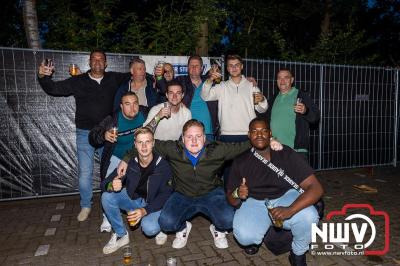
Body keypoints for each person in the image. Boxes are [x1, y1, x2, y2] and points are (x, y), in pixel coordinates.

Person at [117, 119, 283, 249]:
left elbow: (245, 144)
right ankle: (182, 228)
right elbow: (145, 144)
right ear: (182, 138)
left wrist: (271, 139)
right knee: (167, 223)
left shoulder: (217, 149)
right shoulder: (172, 148)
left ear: (205, 138)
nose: (194, 141)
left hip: (211, 193)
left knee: (228, 220)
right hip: (182, 194)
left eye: (198, 136)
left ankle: (218, 229)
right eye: (189, 136)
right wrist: (125, 159)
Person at [37, 49, 130, 222]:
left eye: (101, 59)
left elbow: (133, 75)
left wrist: (151, 75)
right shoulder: (78, 80)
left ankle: (107, 206)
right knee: (85, 173)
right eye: (94, 59)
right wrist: (43, 77)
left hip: (106, 134)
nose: (97, 62)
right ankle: (86, 205)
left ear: (106, 63)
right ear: (89, 62)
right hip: (84, 134)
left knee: (109, 172)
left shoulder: (113, 78)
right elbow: (55, 89)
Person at [226, 118, 323, 265]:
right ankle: (264, 231)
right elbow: (231, 199)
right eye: (254, 131)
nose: (259, 135)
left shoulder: (286, 153)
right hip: (255, 202)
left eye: (264, 131)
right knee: (244, 236)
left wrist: (291, 210)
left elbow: (316, 188)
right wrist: (237, 193)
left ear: (270, 133)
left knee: (309, 216)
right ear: (248, 135)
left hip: (285, 196)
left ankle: (297, 253)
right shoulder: (241, 161)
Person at [101, 127, 173, 254]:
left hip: (154, 204)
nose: (144, 146)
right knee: (107, 197)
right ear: (135, 144)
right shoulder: (128, 163)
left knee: (149, 229)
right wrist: (112, 185)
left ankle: (161, 227)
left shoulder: (163, 165)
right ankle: (121, 234)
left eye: (147, 142)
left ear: (153, 143)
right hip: (134, 200)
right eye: (140, 142)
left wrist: (145, 211)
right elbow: (104, 184)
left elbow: (165, 195)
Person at [89, 91, 145, 232]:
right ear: (121, 106)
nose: (132, 108)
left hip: (138, 156)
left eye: (135, 103)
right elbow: (92, 136)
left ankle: (144, 209)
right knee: (108, 185)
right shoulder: (113, 119)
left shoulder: (145, 114)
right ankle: (107, 215)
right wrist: (103, 135)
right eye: (127, 104)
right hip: (117, 157)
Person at [155, 55, 218, 141]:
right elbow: (165, 89)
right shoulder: (181, 80)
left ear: (202, 68)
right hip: (187, 130)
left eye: (197, 66)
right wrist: (159, 77)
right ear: (188, 68)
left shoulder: (210, 81)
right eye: (191, 65)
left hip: (208, 131)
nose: (194, 68)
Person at [266, 69, 320, 161]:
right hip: (275, 147)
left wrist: (305, 111)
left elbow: (315, 117)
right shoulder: (273, 98)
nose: (282, 81)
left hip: (296, 150)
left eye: (286, 77)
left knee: (299, 176)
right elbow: (265, 120)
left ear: (292, 80)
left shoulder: (301, 95)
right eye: (279, 78)